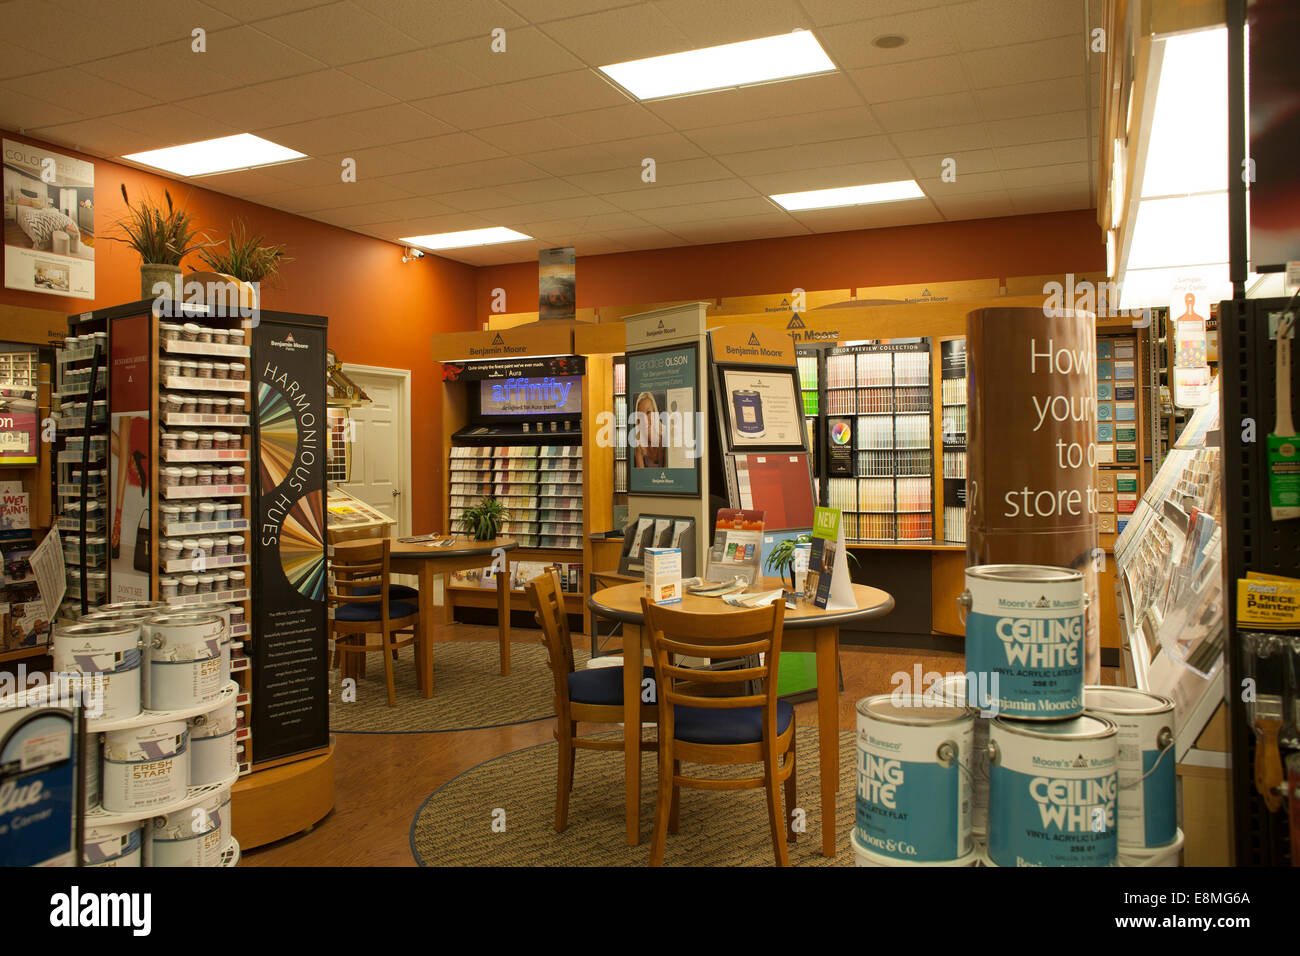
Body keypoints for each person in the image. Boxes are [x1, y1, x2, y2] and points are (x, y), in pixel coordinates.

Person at [633, 391, 665, 469]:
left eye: (648, 412)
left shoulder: (666, 435)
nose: (645, 419)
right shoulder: (638, 443)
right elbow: (641, 476)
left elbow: (668, 473)